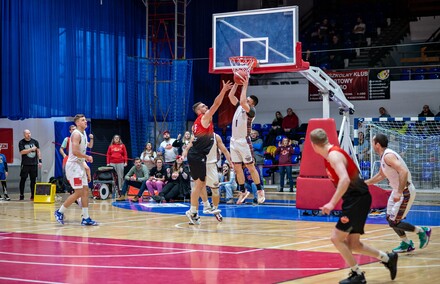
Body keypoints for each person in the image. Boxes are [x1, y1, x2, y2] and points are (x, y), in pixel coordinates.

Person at [310, 128, 398, 284]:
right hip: (356, 199)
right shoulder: (330, 155)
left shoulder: (333, 155)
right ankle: (387, 258)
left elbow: (344, 180)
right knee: (353, 244)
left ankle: (357, 274)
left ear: (313, 145)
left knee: (336, 238)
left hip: (356, 200)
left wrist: (331, 203)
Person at [365, 133, 431, 253]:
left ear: (377, 144)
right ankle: (406, 243)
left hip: (405, 191)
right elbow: (381, 175)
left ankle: (422, 231)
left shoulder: (388, 156)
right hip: (397, 190)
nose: (371, 144)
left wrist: (399, 192)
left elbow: (404, 172)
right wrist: (366, 183)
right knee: (390, 219)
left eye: (372, 142)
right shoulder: (383, 156)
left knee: (394, 221)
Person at [184, 80, 233, 225]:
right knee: (199, 186)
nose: (206, 107)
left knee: (200, 185)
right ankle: (193, 211)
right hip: (197, 156)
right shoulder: (204, 118)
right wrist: (223, 90)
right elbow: (216, 104)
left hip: (198, 155)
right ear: (200, 112)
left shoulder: (200, 123)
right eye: (203, 106)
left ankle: (197, 210)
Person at [54, 114, 98, 226]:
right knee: (78, 192)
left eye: (85, 120)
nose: (85, 122)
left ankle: (86, 218)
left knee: (85, 191)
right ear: (77, 123)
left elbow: (84, 150)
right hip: (73, 167)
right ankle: (59, 212)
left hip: (79, 165)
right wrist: (87, 157)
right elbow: (74, 152)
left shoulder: (84, 134)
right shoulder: (76, 134)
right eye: (83, 120)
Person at [228, 76, 265, 205]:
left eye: (248, 99)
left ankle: (260, 190)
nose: (245, 99)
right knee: (237, 168)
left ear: (252, 103)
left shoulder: (252, 111)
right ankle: (243, 190)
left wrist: (245, 84)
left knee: (250, 166)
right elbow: (231, 97)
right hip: (234, 141)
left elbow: (243, 100)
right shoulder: (240, 106)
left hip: (244, 141)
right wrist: (236, 84)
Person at [204, 133, 232, 222]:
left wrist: (230, 162)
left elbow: (225, 150)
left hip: (212, 165)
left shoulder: (216, 136)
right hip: (200, 164)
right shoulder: (197, 135)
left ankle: (215, 209)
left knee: (215, 190)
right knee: (198, 188)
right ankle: (200, 209)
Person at [18, 129, 42, 200]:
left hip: (34, 164)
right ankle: (21, 195)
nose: (28, 135)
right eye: (27, 133)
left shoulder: (35, 142)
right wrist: (31, 149)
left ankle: (33, 195)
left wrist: (40, 161)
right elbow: (22, 152)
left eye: (29, 133)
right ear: (24, 134)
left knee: (33, 180)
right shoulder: (21, 142)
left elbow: (38, 152)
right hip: (25, 164)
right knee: (23, 179)